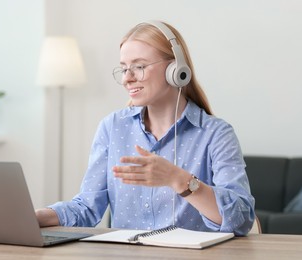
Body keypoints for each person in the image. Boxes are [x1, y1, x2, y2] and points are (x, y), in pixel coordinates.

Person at [36, 20, 255, 236]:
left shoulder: (216, 134)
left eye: (139, 67)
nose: (127, 79)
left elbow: (242, 219)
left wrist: (179, 180)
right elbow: (87, 208)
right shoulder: (112, 127)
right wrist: (36, 216)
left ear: (176, 69)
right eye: (123, 69)